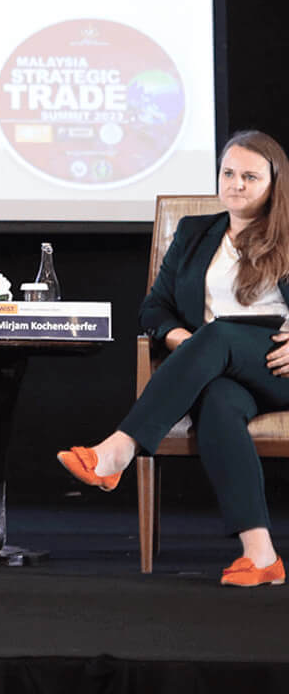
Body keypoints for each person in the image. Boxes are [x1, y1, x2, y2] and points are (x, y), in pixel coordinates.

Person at [59, 129, 289, 587]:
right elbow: (153, 308)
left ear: (274, 183)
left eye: (249, 176)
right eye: (228, 173)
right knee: (218, 403)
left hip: (279, 362)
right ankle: (261, 554)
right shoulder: (194, 231)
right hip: (216, 359)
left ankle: (118, 451)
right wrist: (184, 341)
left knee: (219, 334)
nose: (235, 184)